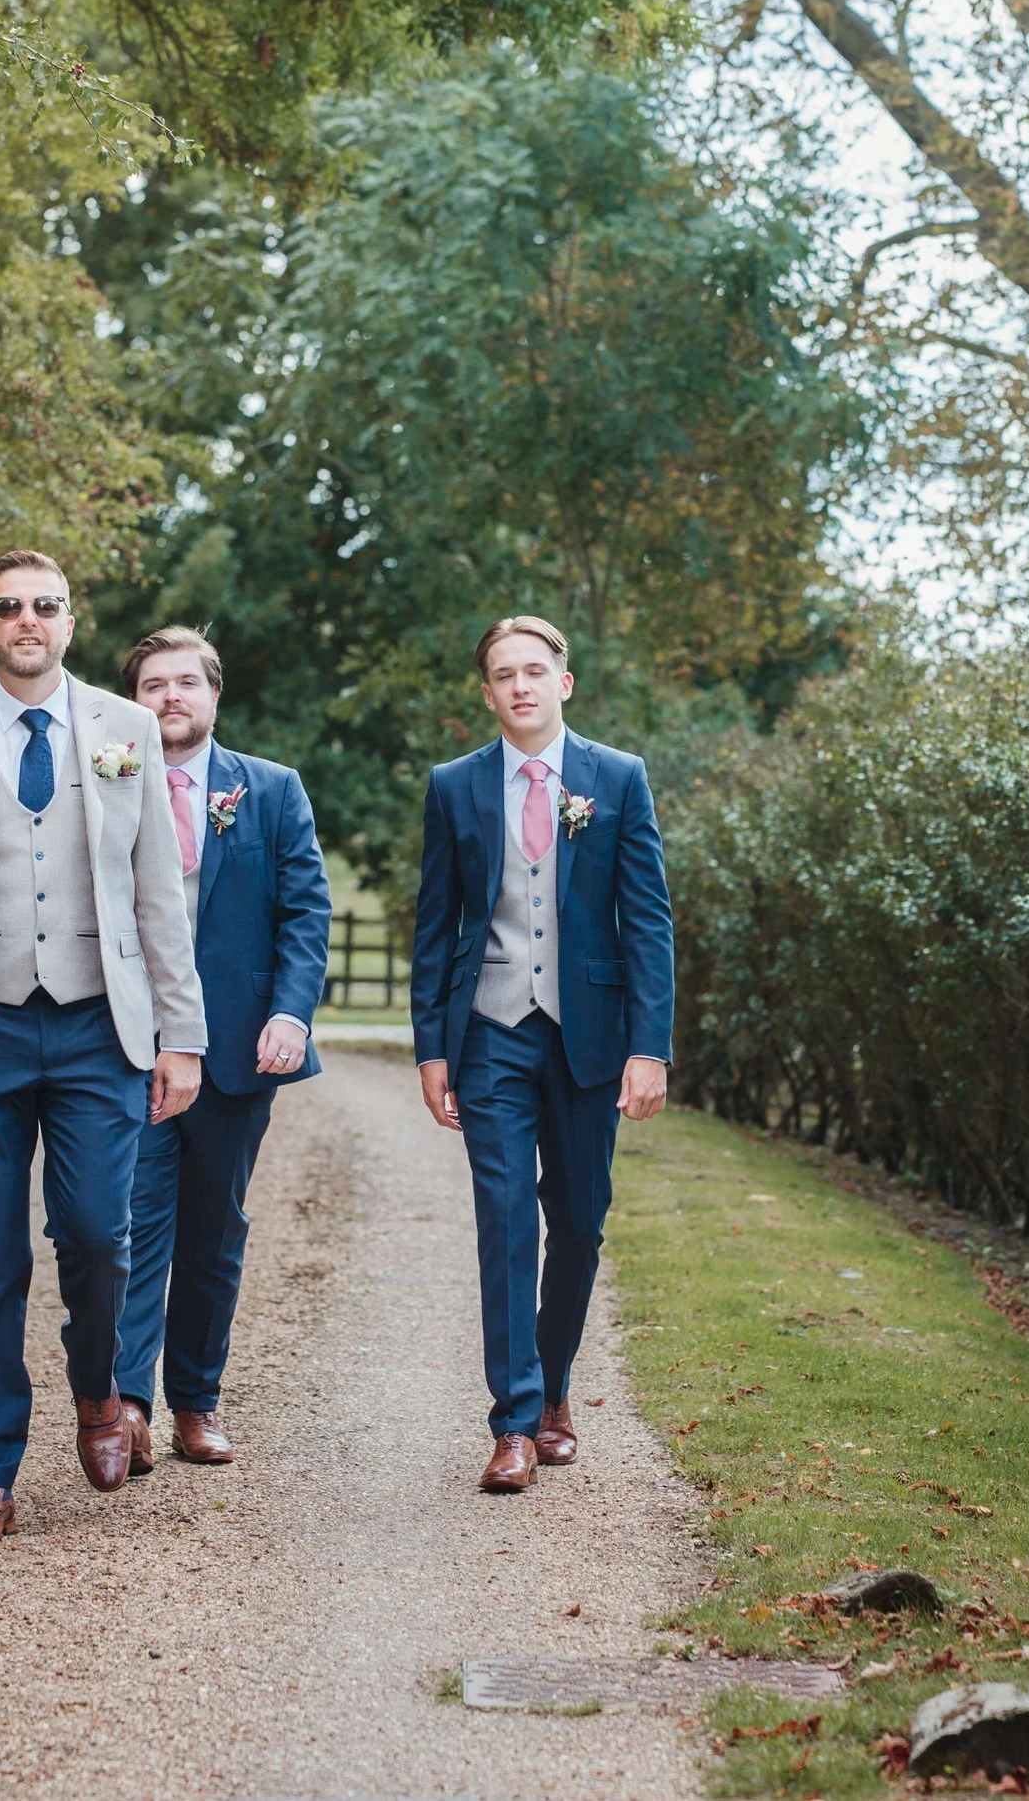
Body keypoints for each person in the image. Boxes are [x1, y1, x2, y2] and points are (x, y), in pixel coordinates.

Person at [0, 551, 207, 1546]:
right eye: (9, 607)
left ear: (70, 620)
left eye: (43, 606)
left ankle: (99, 1389)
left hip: (101, 1024)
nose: (27, 620)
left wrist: (180, 1035)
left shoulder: (126, 728)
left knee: (98, 1234)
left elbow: (159, 898)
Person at [409, 616, 674, 1493]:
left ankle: (555, 1384)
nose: (519, 685)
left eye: (534, 671)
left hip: (589, 1035)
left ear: (564, 682)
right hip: (489, 1033)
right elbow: (435, 924)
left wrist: (650, 1047)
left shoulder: (616, 778)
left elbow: (648, 922)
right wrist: (431, 1049)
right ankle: (516, 1421)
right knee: (506, 1218)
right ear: (486, 693)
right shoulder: (455, 786)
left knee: (581, 1221)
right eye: (502, 674)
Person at [114, 626, 331, 1469]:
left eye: (186, 683)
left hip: (239, 1050)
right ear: (132, 703)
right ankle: (125, 1402)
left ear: (213, 696)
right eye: (152, 685)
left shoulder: (270, 791)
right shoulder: (103, 785)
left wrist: (291, 1013)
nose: (170, 696)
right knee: (125, 1224)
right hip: (125, 1048)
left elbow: (305, 913)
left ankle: (194, 1404)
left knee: (214, 1228)